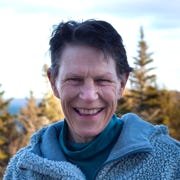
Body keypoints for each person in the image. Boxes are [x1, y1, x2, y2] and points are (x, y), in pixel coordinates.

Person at [4, 19, 180, 180]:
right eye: (74, 79)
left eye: (102, 80)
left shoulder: (172, 162)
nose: (89, 96)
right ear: (53, 82)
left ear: (122, 83)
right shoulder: (22, 171)